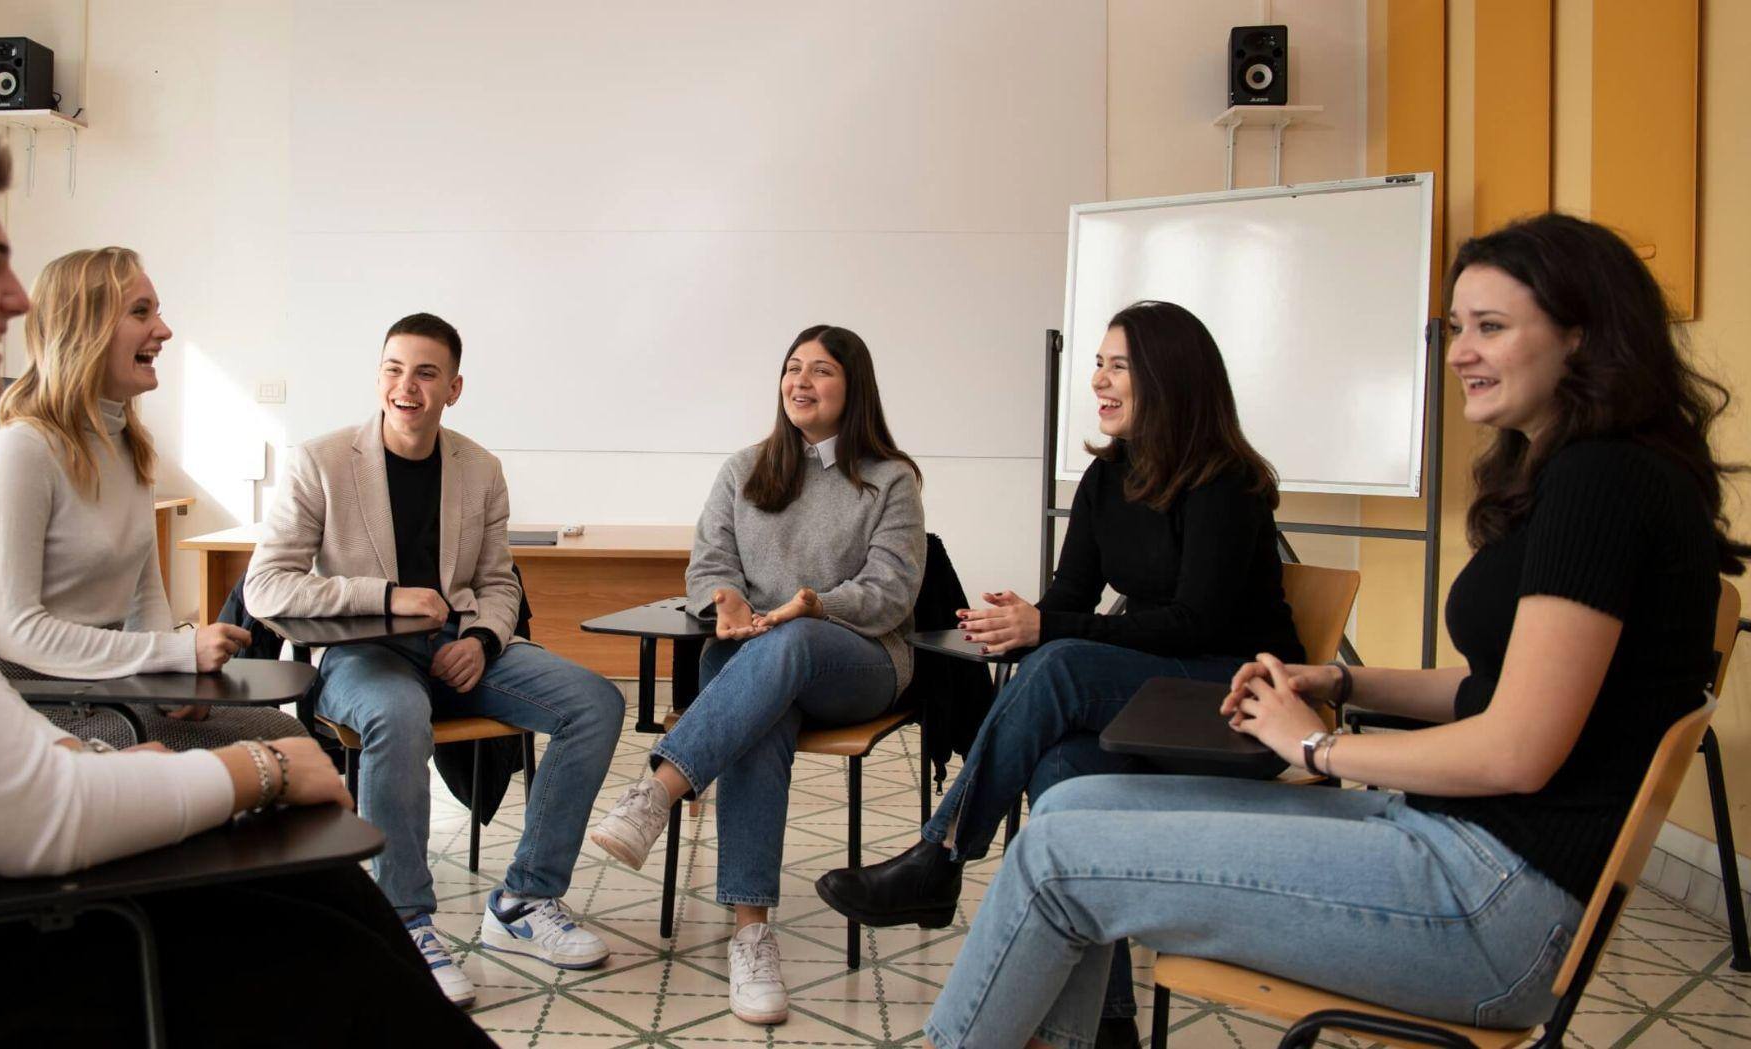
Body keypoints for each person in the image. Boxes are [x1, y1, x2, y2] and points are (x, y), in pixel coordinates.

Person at [0, 126, 493, 1045]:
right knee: (322, 954)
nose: (16, 295)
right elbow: (33, 816)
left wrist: (120, 764)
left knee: (324, 895)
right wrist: (255, 767)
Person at [918, 213, 1741, 1049]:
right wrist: (1344, 683)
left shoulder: (1602, 483)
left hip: (1490, 898)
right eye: (1459, 327)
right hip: (1454, 841)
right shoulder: (1590, 475)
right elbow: (1492, 691)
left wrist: (1318, 749)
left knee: (1057, 859)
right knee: (1066, 808)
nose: (1458, 351)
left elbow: (1514, 749)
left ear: (1584, 337)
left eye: (1491, 327)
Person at [814, 300, 1301, 1047]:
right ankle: (1108, 1030)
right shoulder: (1107, 479)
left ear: (1169, 379)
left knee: (1064, 659)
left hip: (1238, 702)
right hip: (1157, 696)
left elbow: (1194, 623)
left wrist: (1052, 630)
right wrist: (1019, 620)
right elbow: (1071, 601)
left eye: (1118, 366)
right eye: (1098, 364)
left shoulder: (1225, 483)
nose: (1099, 382)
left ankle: (939, 856)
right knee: (1067, 775)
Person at [243, 311, 625, 1007]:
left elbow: (500, 581)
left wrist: (481, 642)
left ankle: (525, 898)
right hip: (362, 654)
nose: (405, 386)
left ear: (454, 387)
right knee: (396, 708)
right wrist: (387, 598)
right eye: (393, 369)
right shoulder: (320, 461)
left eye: (425, 373)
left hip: (457, 649)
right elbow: (267, 587)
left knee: (596, 701)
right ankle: (404, 920)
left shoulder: (479, 468)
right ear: (378, 376)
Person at [588, 324, 926, 1026]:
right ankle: (750, 936)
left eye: (822, 371)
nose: (801, 382)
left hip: (854, 658)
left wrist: (814, 604)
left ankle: (657, 791)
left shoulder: (892, 479)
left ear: (853, 387)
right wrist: (725, 597)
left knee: (793, 645)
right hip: (749, 653)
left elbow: (893, 591)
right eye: (792, 369)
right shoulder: (744, 468)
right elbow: (707, 561)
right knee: (761, 709)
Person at [0, 245, 306, 747]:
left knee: (289, 737)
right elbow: (15, 632)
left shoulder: (131, 449)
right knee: (272, 761)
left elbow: (145, 597)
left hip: (110, 683)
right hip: (37, 701)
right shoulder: (20, 452)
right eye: (140, 311)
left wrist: (173, 683)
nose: (164, 330)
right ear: (82, 330)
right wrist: (175, 656)